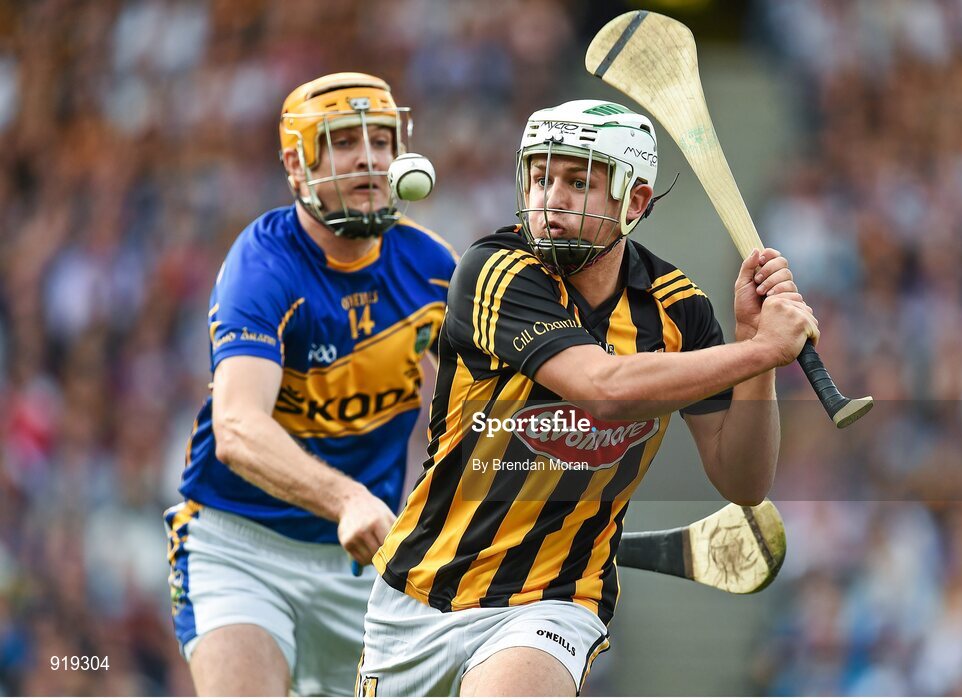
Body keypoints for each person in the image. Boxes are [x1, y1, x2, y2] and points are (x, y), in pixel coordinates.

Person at [358, 100, 818, 696]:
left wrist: (760, 356)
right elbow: (603, 390)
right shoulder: (494, 271)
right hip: (418, 594)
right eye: (541, 177)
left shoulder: (679, 310)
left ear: (636, 202)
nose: (553, 199)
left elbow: (743, 481)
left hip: (553, 603)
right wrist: (759, 353)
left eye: (579, 183)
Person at [162, 72, 458, 696]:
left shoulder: (434, 269)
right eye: (345, 142)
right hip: (240, 547)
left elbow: (473, 412)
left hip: (366, 566)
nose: (371, 159)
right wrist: (347, 498)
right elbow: (237, 429)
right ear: (298, 167)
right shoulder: (263, 264)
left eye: (381, 140)